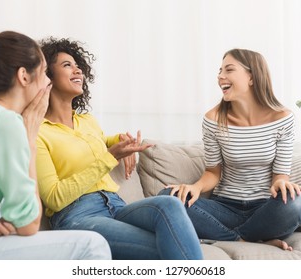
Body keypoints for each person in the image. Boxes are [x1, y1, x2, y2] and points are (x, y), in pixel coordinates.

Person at [36, 37, 203, 260]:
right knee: (167, 245)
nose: (77, 70)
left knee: (170, 204)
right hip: (77, 215)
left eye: (78, 65)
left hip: (116, 205)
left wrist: (122, 140)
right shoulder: (38, 133)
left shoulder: (87, 121)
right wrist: (110, 156)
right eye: (67, 65)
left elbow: (101, 140)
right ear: (47, 77)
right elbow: (54, 198)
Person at [0, 31, 111, 260]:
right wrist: (29, 137)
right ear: (24, 77)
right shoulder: (7, 123)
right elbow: (28, 224)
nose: (48, 81)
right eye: (43, 73)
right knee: (93, 245)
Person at [160, 48, 301, 250]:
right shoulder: (213, 119)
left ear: (252, 77)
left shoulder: (282, 119)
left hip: (264, 209)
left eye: (229, 70)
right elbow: (213, 172)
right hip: (224, 207)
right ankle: (246, 241)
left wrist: (282, 184)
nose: (221, 76)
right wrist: (194, 187)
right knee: (167, 196)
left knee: (298, 202)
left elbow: (280, 175)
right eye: (220, 71)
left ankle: (221, 235)